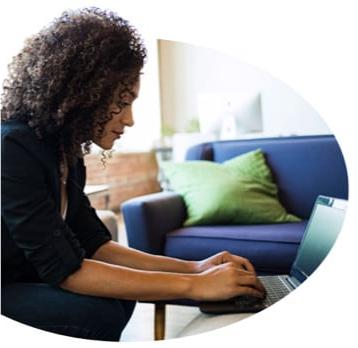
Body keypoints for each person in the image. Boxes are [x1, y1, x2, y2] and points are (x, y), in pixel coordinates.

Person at [1, 7, 265, 341]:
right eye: (122, 102)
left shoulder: (65, 152)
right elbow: (66, 270)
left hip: (27, 277)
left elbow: (95, 244)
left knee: (118, 297)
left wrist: (195, 267)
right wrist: (196, 285)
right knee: (95, 312)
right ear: (82, 94)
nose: (129, 119)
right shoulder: (13, 146)